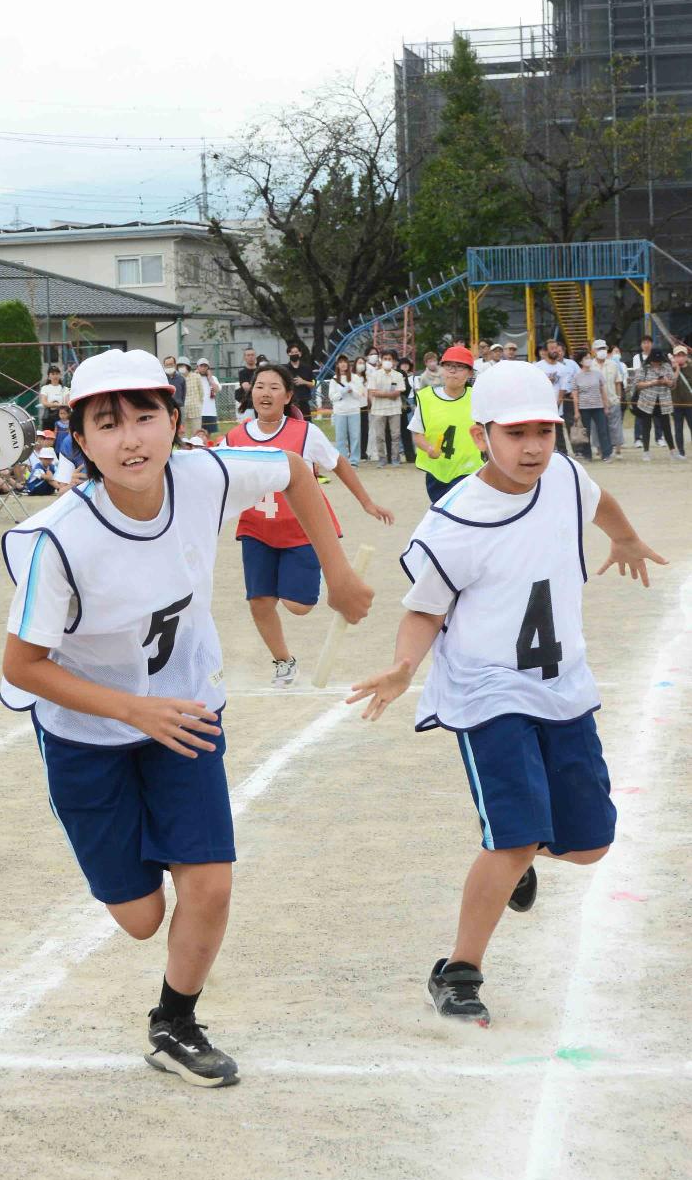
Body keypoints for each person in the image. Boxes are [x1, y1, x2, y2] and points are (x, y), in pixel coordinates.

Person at [0, 349, 373, 1087]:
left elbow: (297, 470)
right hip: (87, 732)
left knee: (209, 882)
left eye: (146, 416)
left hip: (186, 713)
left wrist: (338, 571)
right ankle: (125, 848)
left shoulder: (205, 473)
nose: (130, 438)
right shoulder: (58, 539)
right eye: (107, 424)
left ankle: (175, 1022)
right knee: (140, 917)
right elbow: (22, 668)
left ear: (176, 419)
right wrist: (133, 709)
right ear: (78, 438)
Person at [348, 361, 666, 1026]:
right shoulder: (452, 521)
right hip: (485, 688)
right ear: (480, 432)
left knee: (588, 845)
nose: (531, 447)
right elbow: (423, 610)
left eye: (543, 432)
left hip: (561, 684)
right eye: (514, 433)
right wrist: (404, 667)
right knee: (514, 835)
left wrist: (624, 535)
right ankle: (458, 970)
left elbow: (595, 495)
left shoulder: (564, 477)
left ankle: (515, 853)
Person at [229, 363, 392, 686]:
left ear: (288, 396)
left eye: (275, 387)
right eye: (260, 386)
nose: (265, 393)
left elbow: (338, 464)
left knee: (298, 605)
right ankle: (283, 662)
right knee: (259, 601)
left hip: (302, 528)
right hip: (256, 529)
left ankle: (307, 579)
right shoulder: (234, 437)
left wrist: (367, 502)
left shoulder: (305, 433)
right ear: (251, 392)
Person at [407, 344, 482, 504]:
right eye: (448, 366)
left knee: (463, 510)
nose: (453, 371)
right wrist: (428, 448)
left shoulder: (477, 398)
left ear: (469, 373)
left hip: (468, 469)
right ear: (441, 369)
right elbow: (417, 433)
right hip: (437, 472)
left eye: (459, 367)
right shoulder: (426, 398)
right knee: (443, 513)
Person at [632, 345, 677, 458]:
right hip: (647, 401)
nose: (657, 363)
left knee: (666, 427)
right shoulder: (644, 367)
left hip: (663, 401)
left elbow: (673, 384)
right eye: (655, 361)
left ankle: (673, 452)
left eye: (659, 361)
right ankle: (646, 452)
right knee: (646, 427)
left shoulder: (666, 366)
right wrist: (653, 382)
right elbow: (637, 384)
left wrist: (667, 382)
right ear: (651, 359)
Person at [366, 351, 406, 466]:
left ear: (393, 361)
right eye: (385, 358)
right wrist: (389, 394)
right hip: (378, 409)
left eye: (389, 359)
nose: (387, 361)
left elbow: (398, 392)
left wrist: (381, 393)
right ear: (381, 360)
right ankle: (382, 458)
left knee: (395, 435)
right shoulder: (375, 375)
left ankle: (395, 458)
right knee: (379, 435)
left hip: (394, 409)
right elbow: (373, 392)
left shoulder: (398, 375)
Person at [571, 352, 611, 461]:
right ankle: (587, 455)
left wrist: (606, 406)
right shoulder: (576, 377)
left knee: (603, 430)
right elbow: (575, 395)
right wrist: (576, 411)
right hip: (584, 408)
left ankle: (606, 454)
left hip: (598, 407)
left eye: (589, 358)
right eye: (586, 358)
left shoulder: (597, 374)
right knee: (586, 432)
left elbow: (603, 391)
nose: (589, 360)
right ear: (580, 361)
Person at [326, 355, 364, 466]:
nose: (343, 364)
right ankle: (343, 461)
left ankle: (354, 461)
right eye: (340, 362)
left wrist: (351, 390)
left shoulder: (355, 378)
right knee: (340, 437)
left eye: (345, 362)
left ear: (348, 364)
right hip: (340, 412)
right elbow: (332, 397)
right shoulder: (334, 379)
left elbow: (360, 394)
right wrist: (341, 392)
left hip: (354, 411)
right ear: (337, 365)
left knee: (355, 437)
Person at [594, 339, 626, 456]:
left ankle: (618, 449)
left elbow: (618, 382)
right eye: (599, 349)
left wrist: (619, 397)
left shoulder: (613, 364)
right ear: (594, 351)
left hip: (612, 400)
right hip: (596, 402)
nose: (601, 351)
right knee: (597, 427)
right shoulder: (591, 365)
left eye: (603, 348)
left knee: (615, 426)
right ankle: (599, 449)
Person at [671, 347, 692, 458]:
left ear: (686, 356)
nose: (680, 357)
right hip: (676, 405)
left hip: (690, 404)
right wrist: (677, 370)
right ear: (674, 357)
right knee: (678, 429)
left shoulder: (691, 368)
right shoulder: (670, 369)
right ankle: (681, 452)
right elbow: (671, 385)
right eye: (678, 355)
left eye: (682, 355)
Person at [284, 342, 314, 419]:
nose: (294, 354)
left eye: (296, 352)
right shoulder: (285, 369)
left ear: (300, 354)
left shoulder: (307, 368)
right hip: (290, 403)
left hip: (304, 402)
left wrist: (303, 382)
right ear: (288, 354)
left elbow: (314, 383)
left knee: (306, 423)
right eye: (292, 352)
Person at [38, 365, 70, 431]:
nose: (55, 376)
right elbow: (44, 402)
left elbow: (67, 403)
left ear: (60, 375)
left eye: (57, 374)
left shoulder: (65, 389)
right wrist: (57, 405)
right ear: (49, 376)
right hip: (48, 417)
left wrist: (54, 405)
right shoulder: (45, 388)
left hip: (61, 417)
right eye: (53, 374)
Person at [195, 358, 220, 436]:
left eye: (205, 366)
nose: (203, 368)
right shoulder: (194, 378)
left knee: (208, 435)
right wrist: (194, 375)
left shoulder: (213, 378)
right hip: (197, 412)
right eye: (201, 366)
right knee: (196, 434)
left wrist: (210, 378)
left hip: (210, 412)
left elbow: (217, 389)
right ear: (197, 367)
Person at [178, 358, 203, 427]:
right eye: (179, 366)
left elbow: (201, 393)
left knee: (196, 432)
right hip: (182, 410)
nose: (181, 368)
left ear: (188, 366)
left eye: (183, 366)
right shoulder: (178, 378)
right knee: (182, 433)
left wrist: (198, 403)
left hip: (195, 410)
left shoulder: (196, 376)